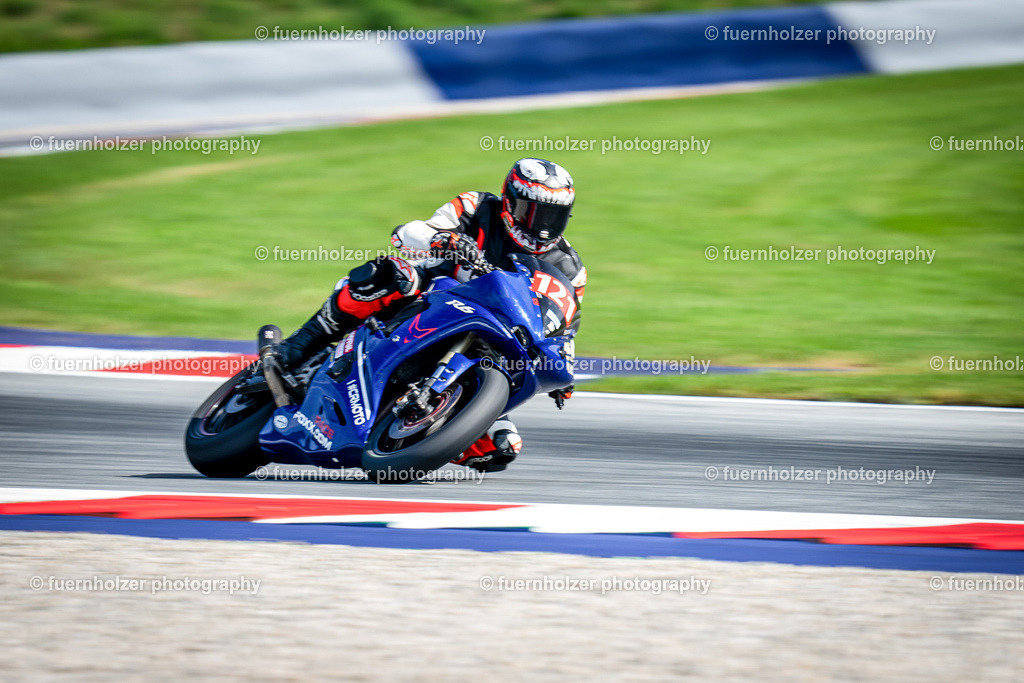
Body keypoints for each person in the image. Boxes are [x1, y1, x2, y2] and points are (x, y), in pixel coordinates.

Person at [273, 158, 586, 472]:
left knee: (501, 447)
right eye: (530, 213)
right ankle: (300, 345)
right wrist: (443, 239)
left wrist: (562, 371)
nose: (540, 226)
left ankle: (426, 433)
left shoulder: (571, 269)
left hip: (494, 342)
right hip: (433, 295)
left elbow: (564, 328)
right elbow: (407, 234)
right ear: (509, 201)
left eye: (552, 217)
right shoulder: (477, 206)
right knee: (391, 274)